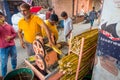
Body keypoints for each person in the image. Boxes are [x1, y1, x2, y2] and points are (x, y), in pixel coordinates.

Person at [0, 12, 17, 77]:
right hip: (3, 48)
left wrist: (11, 37)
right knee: (4, 62)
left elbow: (14, 34)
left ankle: (14, 69)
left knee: (14, 58)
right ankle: (4, 75)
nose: (0, 18)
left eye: (1, 16)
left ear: (4, 17)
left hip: (12, 46)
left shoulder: (9, 26)